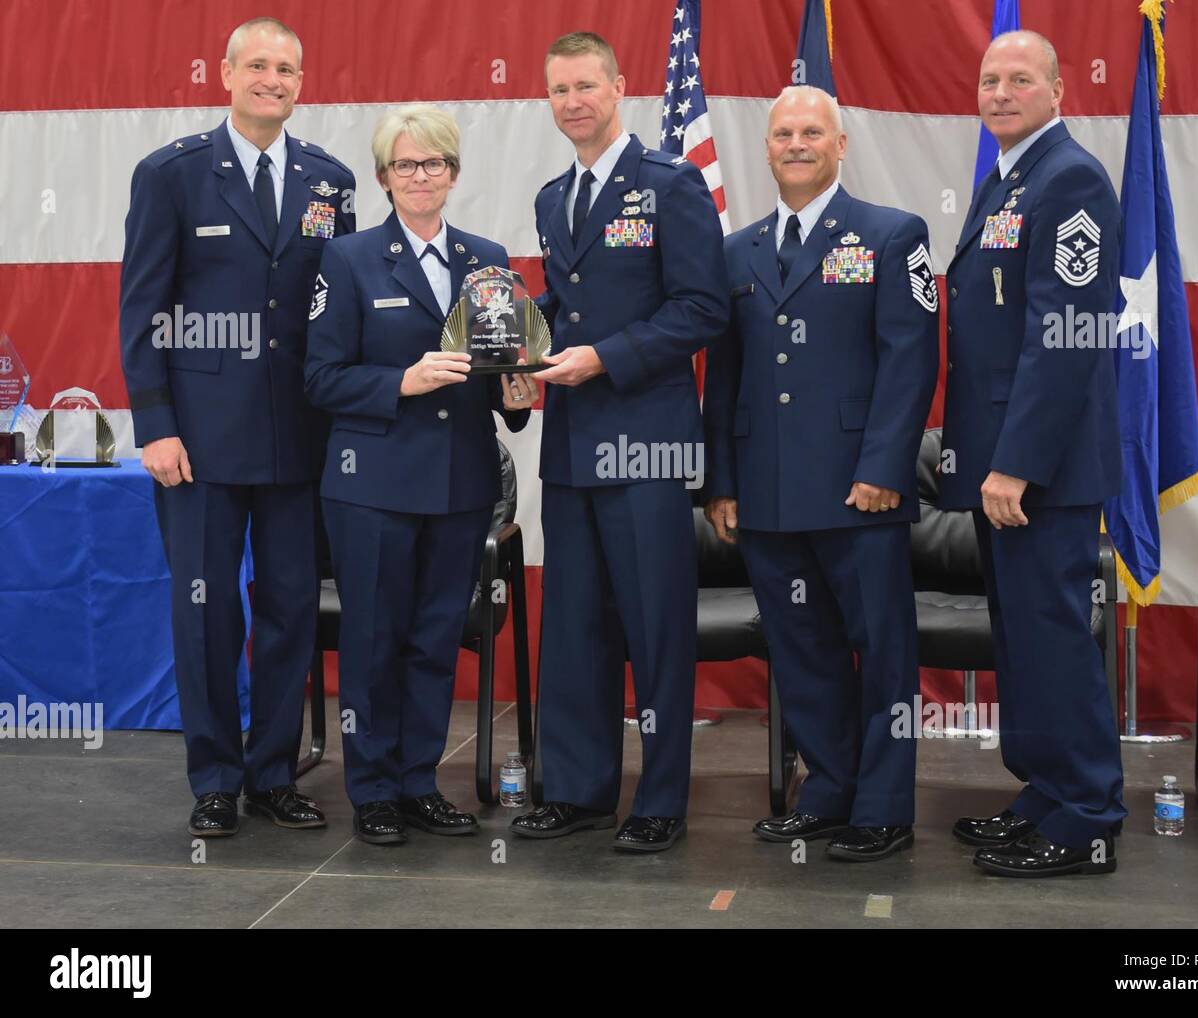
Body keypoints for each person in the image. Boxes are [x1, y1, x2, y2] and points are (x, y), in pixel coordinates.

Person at [119, 17, 355, 837]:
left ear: (301, 81)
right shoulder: (172, 174)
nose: (273, 80)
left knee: (291, 609)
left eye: (287, 68)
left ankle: (272, 772)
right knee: (208, 610)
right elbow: (142, 311)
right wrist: (155, 425)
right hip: (201, 443)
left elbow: (343, 306)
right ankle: (214, 777)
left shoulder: (331, 181)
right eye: (258, 65)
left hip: (301, 439)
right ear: (224, 73)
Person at [703, 86, 937, 862]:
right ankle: (830, 791)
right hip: (767, 495)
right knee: (803, 653)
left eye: (811, 132)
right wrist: (721, 480)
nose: (795, 144)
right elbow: (725, 377)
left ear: (841, 145)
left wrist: (884, 467)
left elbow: (912, 360)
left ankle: (884, 806)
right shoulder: (736, 252)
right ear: (766, 149)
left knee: (881, 652)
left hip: (857, 491)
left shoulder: (893, 235)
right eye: (782, 134)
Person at [508, 31, 728, 853]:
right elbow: (566, 307)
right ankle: (576, 789)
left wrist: (606, 356)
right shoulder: (550, 196)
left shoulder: (669, 184)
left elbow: (704, 309)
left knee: (655, 627)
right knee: (574, 626)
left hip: (648, 443)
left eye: (586, 86)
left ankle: (662, 797)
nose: (573, 102)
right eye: (559, 89)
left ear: (621, 87)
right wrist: (518, 361)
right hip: (570, 445)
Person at [305, 105, 536, 845]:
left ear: (454, 173)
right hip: (372, 485)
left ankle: (417, 781)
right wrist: (399, 382)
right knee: (374, 641)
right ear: (383, 177)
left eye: (434, 163)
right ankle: (371, 789)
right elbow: (319, 378)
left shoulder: (488, 260)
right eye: (405, 165)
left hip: (460, 485)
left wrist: (517, 394)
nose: (421, 176)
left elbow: (506, 381)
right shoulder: (347, 260)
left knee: (435, 641)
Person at [940, 30, 1126, 876]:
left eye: (1021, 78)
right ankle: (1048, 790)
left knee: (1053, 636)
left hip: (1038, 470)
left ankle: (1088, 813)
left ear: (1060, 91)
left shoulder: (1072, 180)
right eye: (990, 79)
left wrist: (1017, 462)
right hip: (1000, 463)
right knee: (1021, 637)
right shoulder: (1008, 179)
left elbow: (1064, 336)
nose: (1002, 91)